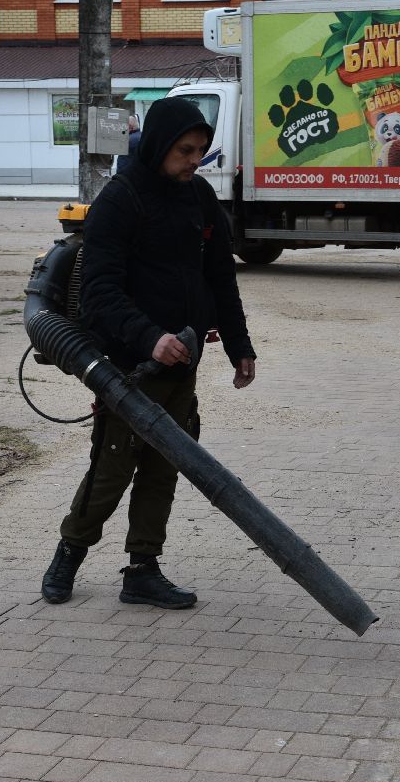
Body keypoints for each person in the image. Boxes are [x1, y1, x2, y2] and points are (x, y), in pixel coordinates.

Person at [41, 97, 257, 609]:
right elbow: (99, 292)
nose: (194, 160)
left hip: (182, 363)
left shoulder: (199, 197)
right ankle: (69, 552)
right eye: (185, 150)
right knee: (112, 469)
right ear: (160, 143)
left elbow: (220, 279)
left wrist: (239, 346)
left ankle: (142, 569)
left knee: (165, 467)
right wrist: (148, 338)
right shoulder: (121, 200)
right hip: (128, 367)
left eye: (202, 151)